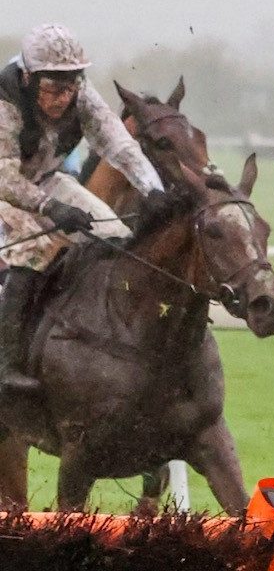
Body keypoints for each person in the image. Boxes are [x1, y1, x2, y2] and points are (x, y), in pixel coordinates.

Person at [0, 24, 166, 391]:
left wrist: (152, 190)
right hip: (5, 187)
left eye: (70, 86)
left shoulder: (82, 94)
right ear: (28, 78)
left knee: (116, 235)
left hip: (45, 180)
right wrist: (50, 207)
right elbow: (6, 179)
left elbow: (118, 144)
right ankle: (6, 365)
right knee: (33, 244)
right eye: (53, 89)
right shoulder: (5, 103)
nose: (63, 98)